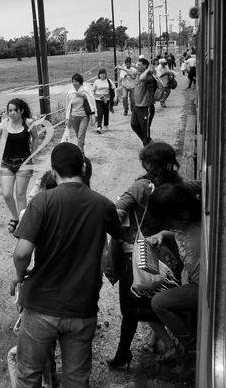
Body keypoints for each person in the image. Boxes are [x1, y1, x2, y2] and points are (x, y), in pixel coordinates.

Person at [13, 142, 121, 387]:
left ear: (53, 172)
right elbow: (118, 239)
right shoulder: (103, 205)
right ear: (83, 168)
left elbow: (21, 253)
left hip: (41, 305)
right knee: (76, 378)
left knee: (29, 375)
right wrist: (112, 271)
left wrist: (20, 275)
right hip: (82, 307)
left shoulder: (42, 201)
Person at [106, 142, 186, 370]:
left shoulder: (141, 186)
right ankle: (150, 344)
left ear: (149, 164)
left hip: (139, 255)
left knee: (134, 307)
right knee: (155, 298)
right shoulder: (177, 184)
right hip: (169, 255)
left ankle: (169, 346)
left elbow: (117, 210)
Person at [148, 184, 201, 367]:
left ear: (181, 214)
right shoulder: (185, 225)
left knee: (158, 302)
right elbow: (179, 233)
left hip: (202, 287)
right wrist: (164, 234)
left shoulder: (201, 233)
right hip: (190, 279)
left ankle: (192, 349)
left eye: (168, 222)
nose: (169, 226)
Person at [0, 98, 40, 234]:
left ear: (21, 111)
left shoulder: (28, 122)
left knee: (20, 194)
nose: (11, 113)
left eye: (14, 110)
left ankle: (23, 223)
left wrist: (33, 154)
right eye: (9, 110)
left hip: (24, 162)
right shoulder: (5, 123)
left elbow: (36, 137)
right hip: (7, 162)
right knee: (6, 194)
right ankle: (15, 217)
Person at [65, 73, 96, 154]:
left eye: (76, 81)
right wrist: (67, 119)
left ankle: (80, 154)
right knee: (79, 136)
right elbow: (68, 106)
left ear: (80, 82)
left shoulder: (85, 91)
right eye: (73, 81)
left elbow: (91, 101)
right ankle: (81, 147)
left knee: (80, 136)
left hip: (84, 117)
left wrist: (83, 96)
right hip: (74, 117)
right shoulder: (70, 93)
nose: (74, 83)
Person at [130, 57, 158, 146]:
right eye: (136, 64)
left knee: (145, 129)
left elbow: (142, 78)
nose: (137, 66)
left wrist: (148, 69)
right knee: (134, 125)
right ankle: (148, 142)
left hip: (146, 107)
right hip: (137, 106)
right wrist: (122, 68)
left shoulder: (148, 75)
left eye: (139, 65)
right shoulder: (139, 73)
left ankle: (147, 147)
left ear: (145, 66)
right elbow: (133, 73)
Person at [92, 68, 116, 134]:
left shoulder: (109, 81)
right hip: (98, 99)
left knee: (106, 111)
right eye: (101, 74)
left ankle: (106, 125)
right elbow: (93, 90)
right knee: (100, 112)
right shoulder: (96, 81)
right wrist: (92, 98)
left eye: (103, 74)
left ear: (106, 74)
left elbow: (114, 88)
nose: (102, 75)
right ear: (99, 75)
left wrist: (115, 96)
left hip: (106, 99)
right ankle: (99, 126)